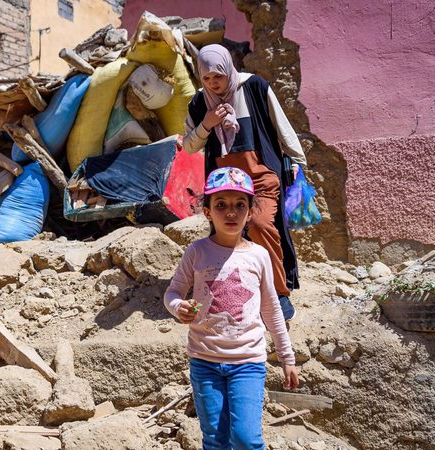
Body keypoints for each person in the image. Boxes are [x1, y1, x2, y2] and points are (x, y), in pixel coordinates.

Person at [164, 167, 299, 450]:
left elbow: (272, 309)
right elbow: (173, 292)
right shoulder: (197, 252)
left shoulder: (259, 255)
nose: (231, 212)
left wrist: (287, 358)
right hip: (204, 361)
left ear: (251, 211)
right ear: (207, 211)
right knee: (215, 439)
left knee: (246, 439)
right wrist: (179, 307)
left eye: (240, 205)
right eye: (221, 204)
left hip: (248, 363)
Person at [183, 44, 307, 321]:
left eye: (218, 76)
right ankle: (240, 289)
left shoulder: (253, 87)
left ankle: (279, 293)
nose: (213, 83)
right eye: (207, 78)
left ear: (228, 69)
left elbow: (280, 124)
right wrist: (207, 123)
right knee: (229, 235)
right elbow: (190, 146)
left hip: (261, 176)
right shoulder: (199, 103)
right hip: (225, 184)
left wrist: (297, 161)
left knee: (260, 225)